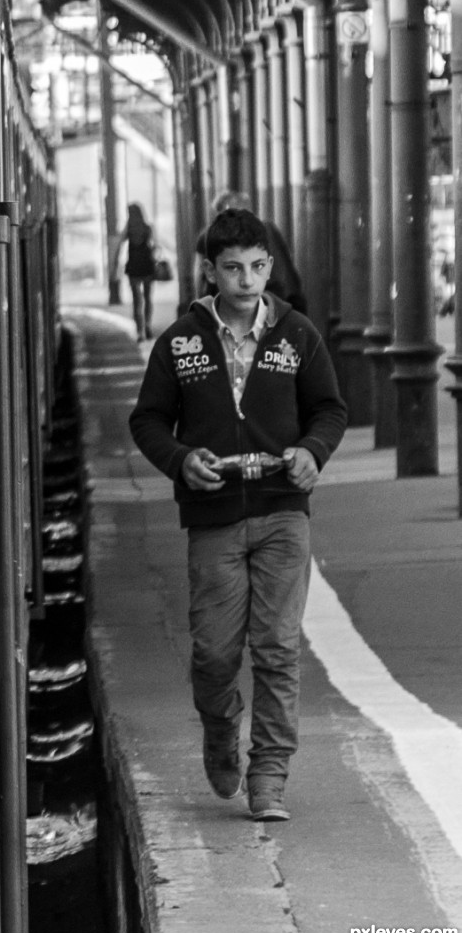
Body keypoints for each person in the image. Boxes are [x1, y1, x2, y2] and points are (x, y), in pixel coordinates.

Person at [129, 207, 346, 822]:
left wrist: (311, 451)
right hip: (214, 517)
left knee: (277, 648)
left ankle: (269, 778)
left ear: (269, 267)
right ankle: (220, 730)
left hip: (283, 513)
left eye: (256, 268)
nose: (246, 281)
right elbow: (146, 419)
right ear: (210, 271)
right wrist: (179, 459)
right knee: (216, 654)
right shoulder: (183, 341)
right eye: (232, 269)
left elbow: (329, 410)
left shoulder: (297, 334)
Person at [195, 191, 307, 312]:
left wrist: (199, 301)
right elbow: (288, 274)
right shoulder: (268, 229)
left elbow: (199, 274)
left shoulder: (209, 234)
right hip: (278, 302)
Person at [112, 203, 157, 341]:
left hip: (133, 268)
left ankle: (139, 331)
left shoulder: (128, 230)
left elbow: (119, 246)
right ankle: (148, 325)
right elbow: (154, 246)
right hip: (147, 266)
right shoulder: (147, 228)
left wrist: (115, 265)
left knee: (137, 300)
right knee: (148, 298)